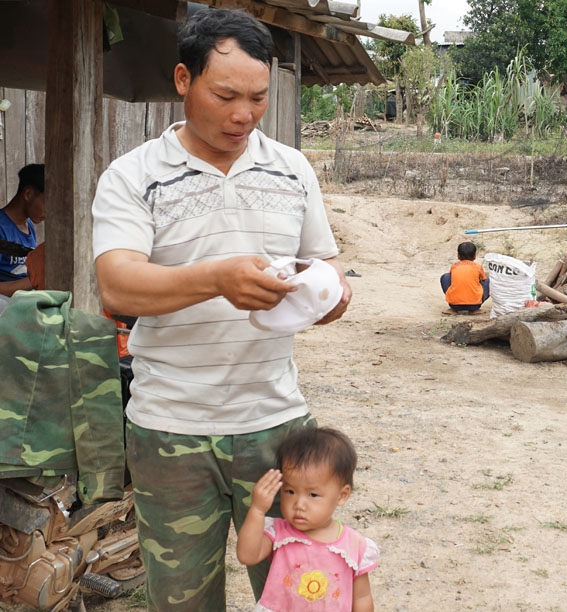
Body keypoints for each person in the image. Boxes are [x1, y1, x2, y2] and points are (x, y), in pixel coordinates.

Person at [91, 8, 352, 611]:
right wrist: (216, 278)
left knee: (302, 595)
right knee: (182, 601)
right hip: (171, 429)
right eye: (226, 95)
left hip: (277, 425)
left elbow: (323, 266)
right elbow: (118, 287)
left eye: (258, 98)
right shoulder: (134, 176)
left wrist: (329, 294)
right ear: (184, 80)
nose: (243, 114)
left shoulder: (292, 169)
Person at [237, 427, 377, 612]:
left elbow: (362, 597)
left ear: (342, 495)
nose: (299, 504)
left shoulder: (355, 546)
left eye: (313, 494)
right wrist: (257, 510)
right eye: (290, 491)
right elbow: (247, 555)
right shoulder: (279, 532)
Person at [0, 164, 45, 299]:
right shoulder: (1, 227)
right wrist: (34, 281)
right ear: (28, 194)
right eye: (47, 202)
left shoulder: (29, 226)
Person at [439, 241, 489, 313]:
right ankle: (474, 310)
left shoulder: (454, 266)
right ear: (474, 256)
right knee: (489, 281)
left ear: (458, 256)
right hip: (475, 305)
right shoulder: (478, 267)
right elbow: (484, 279)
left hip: (454, 305)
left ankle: (454, 308)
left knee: (445, 277)